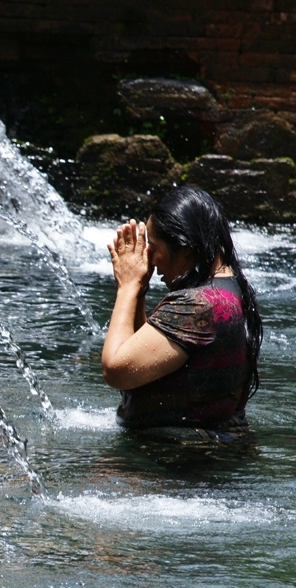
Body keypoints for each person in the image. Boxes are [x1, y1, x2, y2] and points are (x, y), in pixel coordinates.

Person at [101, 186, 262, 439]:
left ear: (185, 247)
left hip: (179, 464)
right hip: (210, 454)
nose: (149, 259)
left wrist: (127, 286)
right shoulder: (229, 291)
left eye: (153, 247)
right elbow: (145, 358)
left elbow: (117, 370)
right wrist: (139, 292)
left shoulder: (197, 305)